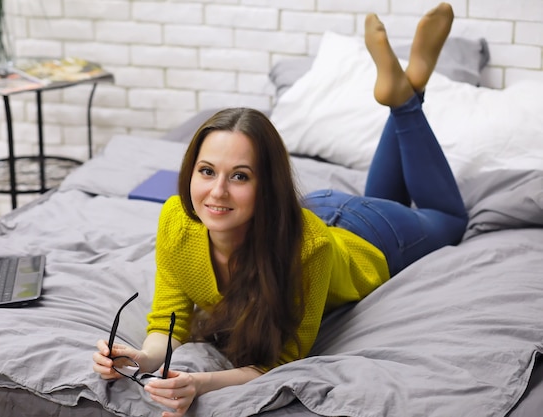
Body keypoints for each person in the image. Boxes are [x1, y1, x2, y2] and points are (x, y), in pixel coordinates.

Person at [93, 3, 467, 416]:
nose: (216, 192)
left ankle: (408, 102)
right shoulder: (176, 219)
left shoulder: (308, 250)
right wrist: (141, 358)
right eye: (206, 171)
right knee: (389, 194)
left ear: (266, 184)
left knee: (450, 220)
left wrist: (200, 383)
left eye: (239, 176)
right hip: (313, 209)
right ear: (190, 171)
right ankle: (404, 95)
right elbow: (170, 317)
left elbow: (284, 359)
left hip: (371, 234)